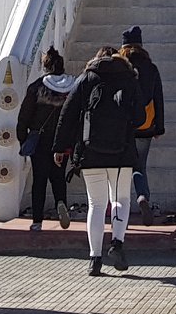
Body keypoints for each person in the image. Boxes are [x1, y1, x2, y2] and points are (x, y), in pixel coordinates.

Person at [52, 44, 147, 276]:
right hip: (121, 152)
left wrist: (59, 147)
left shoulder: (86, 78)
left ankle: (94, 259)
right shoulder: (129, 79)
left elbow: (68, 113)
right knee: (120, 199)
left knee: (96, 204)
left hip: (90, 151)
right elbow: (140, 117)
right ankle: (117, 243)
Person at [16, 47, 78, 230]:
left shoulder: (37, 87)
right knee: (58, 177)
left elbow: (24, 117)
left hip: (40, 140)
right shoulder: (73, 87)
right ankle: (61, 203)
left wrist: (23, 139)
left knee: (39, 180)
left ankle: (37, 221)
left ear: (45, 66)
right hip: (63, 140)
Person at [120, 26, 166, 224]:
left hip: (123, 127)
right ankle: (142, 196)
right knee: (140, 166)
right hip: (146, 125)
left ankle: (118, 208)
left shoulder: (121, 68)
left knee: (121, 168)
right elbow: (158, 98)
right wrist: (159, 127)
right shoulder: (151, 67)